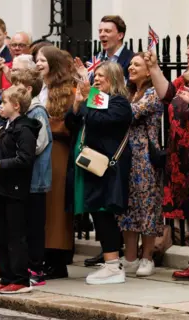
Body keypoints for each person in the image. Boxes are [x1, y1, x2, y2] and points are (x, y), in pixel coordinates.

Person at [65, 61, 132, 285]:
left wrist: (86, 100)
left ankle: (113, 266)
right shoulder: (96, 100)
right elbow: (72, 123)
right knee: (96, 211)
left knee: (104, 212)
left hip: (108, 169)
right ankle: (109, 261)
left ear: (113, 78)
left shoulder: (120, 103)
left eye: (101, 75)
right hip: (89, 167)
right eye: (95, 75)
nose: (97, 79)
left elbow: (98, 119)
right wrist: (77, 104)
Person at [144, 35, 189, 284]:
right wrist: (154, 68)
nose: (187, 52)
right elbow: (166, 94)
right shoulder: (187, 80)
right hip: (182, 158)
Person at [0, 85, 41, 295]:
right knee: (4, 236)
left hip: (15, 189)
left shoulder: (25, 129)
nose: (1, 106)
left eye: (4, 102)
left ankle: (20, 279)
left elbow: (25, 159)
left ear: (16, 106)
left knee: (16, 236)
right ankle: (6, 277)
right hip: (2, 188)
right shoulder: (9, 125)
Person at [116, 53, 164, 277]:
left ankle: (147, 257)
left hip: (145, 157)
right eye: (131, 64)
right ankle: (130, 258)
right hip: (125, 155)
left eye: (137, 64)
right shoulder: (126, 92)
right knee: (127, 207)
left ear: (148, 70)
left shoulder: (154, 93)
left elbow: (130, 114)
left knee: (147, 207)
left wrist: (104, 101)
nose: (131, 67)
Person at [11, 69, 53, 286]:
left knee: (35, 226)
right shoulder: (25, 111)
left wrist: (16, 148)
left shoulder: (37, 112)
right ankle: (27, 265)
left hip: (36, 179)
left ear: (27, 89)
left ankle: (36, 268)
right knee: (25, 224)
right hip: (24, 179)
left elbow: (39, 144)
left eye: (16, 86)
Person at [36, 46, 75, 280]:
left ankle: (58, 261)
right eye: (37, 60)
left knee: (57, 207)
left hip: (58, 150)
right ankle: (44, 257)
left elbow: (68, 124)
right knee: (44, 207)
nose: (38, 64)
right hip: (40, 151)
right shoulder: (41, 87)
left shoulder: (67, 90)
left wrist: (42, 125)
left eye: (42, 60)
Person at [95, 15, 133, 81]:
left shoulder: (131, 60)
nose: (102, 34)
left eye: (107, 31)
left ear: (120, 35)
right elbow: (93, 89)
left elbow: (129, 90)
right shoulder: (97, 59)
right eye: (100, 31)